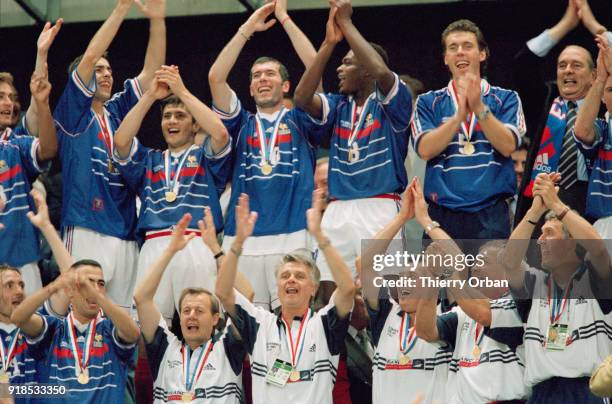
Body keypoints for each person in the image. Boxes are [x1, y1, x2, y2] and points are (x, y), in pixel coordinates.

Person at [208, 1, 329, 310]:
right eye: (256, 75)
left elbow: (316, 63)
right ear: (249, 88)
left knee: (295, 320)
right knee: (246, 325)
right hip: (244, 239)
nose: (263, 79)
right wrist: (247, 29)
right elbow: (215, 78)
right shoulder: (240, 124)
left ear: (286, 84)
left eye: (270, 74)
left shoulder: (301, 119)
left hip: (293, 234)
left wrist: (285, 19)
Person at [53, 0, 166, 311]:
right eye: (98, 70)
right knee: (81, 313)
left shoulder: (117, 109)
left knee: (123, 323)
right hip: (87, 224)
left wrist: (157, 20)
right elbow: (89, 56)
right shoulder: (72, 113)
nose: (105, 74)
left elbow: (151, 73)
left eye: (109, 70)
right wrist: (121, 8)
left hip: (125, 230)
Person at [294, 1, 413, 286]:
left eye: (348, 62)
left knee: (383, 292)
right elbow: (301, 97)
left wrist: (347, 25)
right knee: (327, 291)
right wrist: (329, 42)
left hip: (380, 207)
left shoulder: (394, 104)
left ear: (367, 70)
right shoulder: (337, 106)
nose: (339, 68)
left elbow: (384, 74)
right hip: (337, 209)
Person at [113, 65, 230, 323]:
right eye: (167, 116)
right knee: (148, 327)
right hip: (154, 244)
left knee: (206, 322)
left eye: (180, 115)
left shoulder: (206, 157)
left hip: (197, 243)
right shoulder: (149, 159)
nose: (172, 121)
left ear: (195, 124)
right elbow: (120, 141)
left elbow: (221, 133)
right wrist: (149, 96)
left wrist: (182, 91)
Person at [214, 190, 355, 404]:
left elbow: (347, 289)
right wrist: (238, 243)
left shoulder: (324, 324)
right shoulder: (260, 323)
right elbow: (223, 292)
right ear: (277, 287)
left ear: (313, 289)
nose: (291, 280)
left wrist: (319, 236)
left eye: (299, 276)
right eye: (285, 276)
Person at [411, 19, 526, 240]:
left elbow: (508, 145)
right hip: (442, 213)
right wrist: (458, 118)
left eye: (467, 46)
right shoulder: (428, 102)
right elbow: (425, 150)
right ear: (445, 58)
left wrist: (478, 107)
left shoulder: (506, 98)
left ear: (482, 54)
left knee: (488, 275)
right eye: (452, 48)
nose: (460, 53)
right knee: (441, 276)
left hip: (490, 213)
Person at [502, 172, 612, 403]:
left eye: (549, 233)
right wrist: (535, 211)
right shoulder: (535, 284)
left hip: (587, 391)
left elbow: (599, 248)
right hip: (542, 393)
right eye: (540, 234)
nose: (540, 240)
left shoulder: (595, 279)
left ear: (572, 241)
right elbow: (509, 262)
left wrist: (556, 204)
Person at [133, 212, 251, 403]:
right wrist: (170, 251)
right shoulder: (164, 348)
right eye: (186, 311)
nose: (191, 316)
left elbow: (247, 296)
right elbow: (142, 298)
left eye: (200, 310)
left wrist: (215, 248)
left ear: (215, 318)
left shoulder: (229, 348)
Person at [515, 0, 611, 223]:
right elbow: (524, 63)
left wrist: (594, 26)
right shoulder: (545, 100)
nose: (568, 70)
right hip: (540, 202)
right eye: (562, 65)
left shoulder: (605, 102)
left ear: (594, 75)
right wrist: (566, 24)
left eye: (577, 65)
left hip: (590, 202)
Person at [359, 179, 451, 404]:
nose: (404, 283)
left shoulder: (447, 316)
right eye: (402, 278)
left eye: (414, 277)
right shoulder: (385, 314)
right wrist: (401, 218)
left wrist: (425, 220)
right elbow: (364, 264)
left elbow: (457, 259)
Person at [11, 258, 141, 402]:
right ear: (69, 290)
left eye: (101, 284)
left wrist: (97, 296)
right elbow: (18, 318)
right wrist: (54, 287)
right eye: (87, 284)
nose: (95, 289)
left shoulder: (111, 329)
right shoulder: (53, 329)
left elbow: (133, 333)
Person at [0, 70, 57, 295]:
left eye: (12, 97)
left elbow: (49, 149)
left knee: (30, 330)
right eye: (1, 96)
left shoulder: (16, 144)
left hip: (23, 262)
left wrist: (42, 104)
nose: (9, 103)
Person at [573, 35, 612, 240]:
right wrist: (600, 80)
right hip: (605, 223)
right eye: (610, 90)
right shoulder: (603, 129)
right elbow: (581, 131)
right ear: (603, 98)